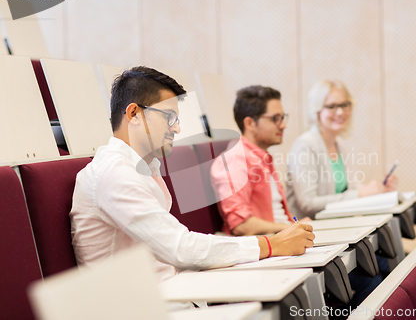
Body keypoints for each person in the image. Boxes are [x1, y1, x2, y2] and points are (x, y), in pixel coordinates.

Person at [70, 67, 314, 283]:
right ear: (134, 114)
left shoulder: (143, 168)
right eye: (170, 117)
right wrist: (273, 244)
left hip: (173, 292)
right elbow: (180, 248)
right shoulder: (114, 174)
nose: (177, 128)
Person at [287, 79, 398, 220]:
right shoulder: (304, 146)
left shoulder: (339, 145)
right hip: (312, 233)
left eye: (344, 105)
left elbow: (349, 190)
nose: (340, 112)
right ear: (317, 110)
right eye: (332, 106)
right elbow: (308, 203)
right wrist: (361, 194)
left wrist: (379, 192)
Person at [211, 85, 311, 236]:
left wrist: (297, 225)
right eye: (275, 119)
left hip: (282, 238)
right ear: (250, 123)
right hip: (269, 246)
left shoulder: (261, 157)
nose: (283, 125)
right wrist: (289, 228)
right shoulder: (235, 160)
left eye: (282, 118)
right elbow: (240, 225)